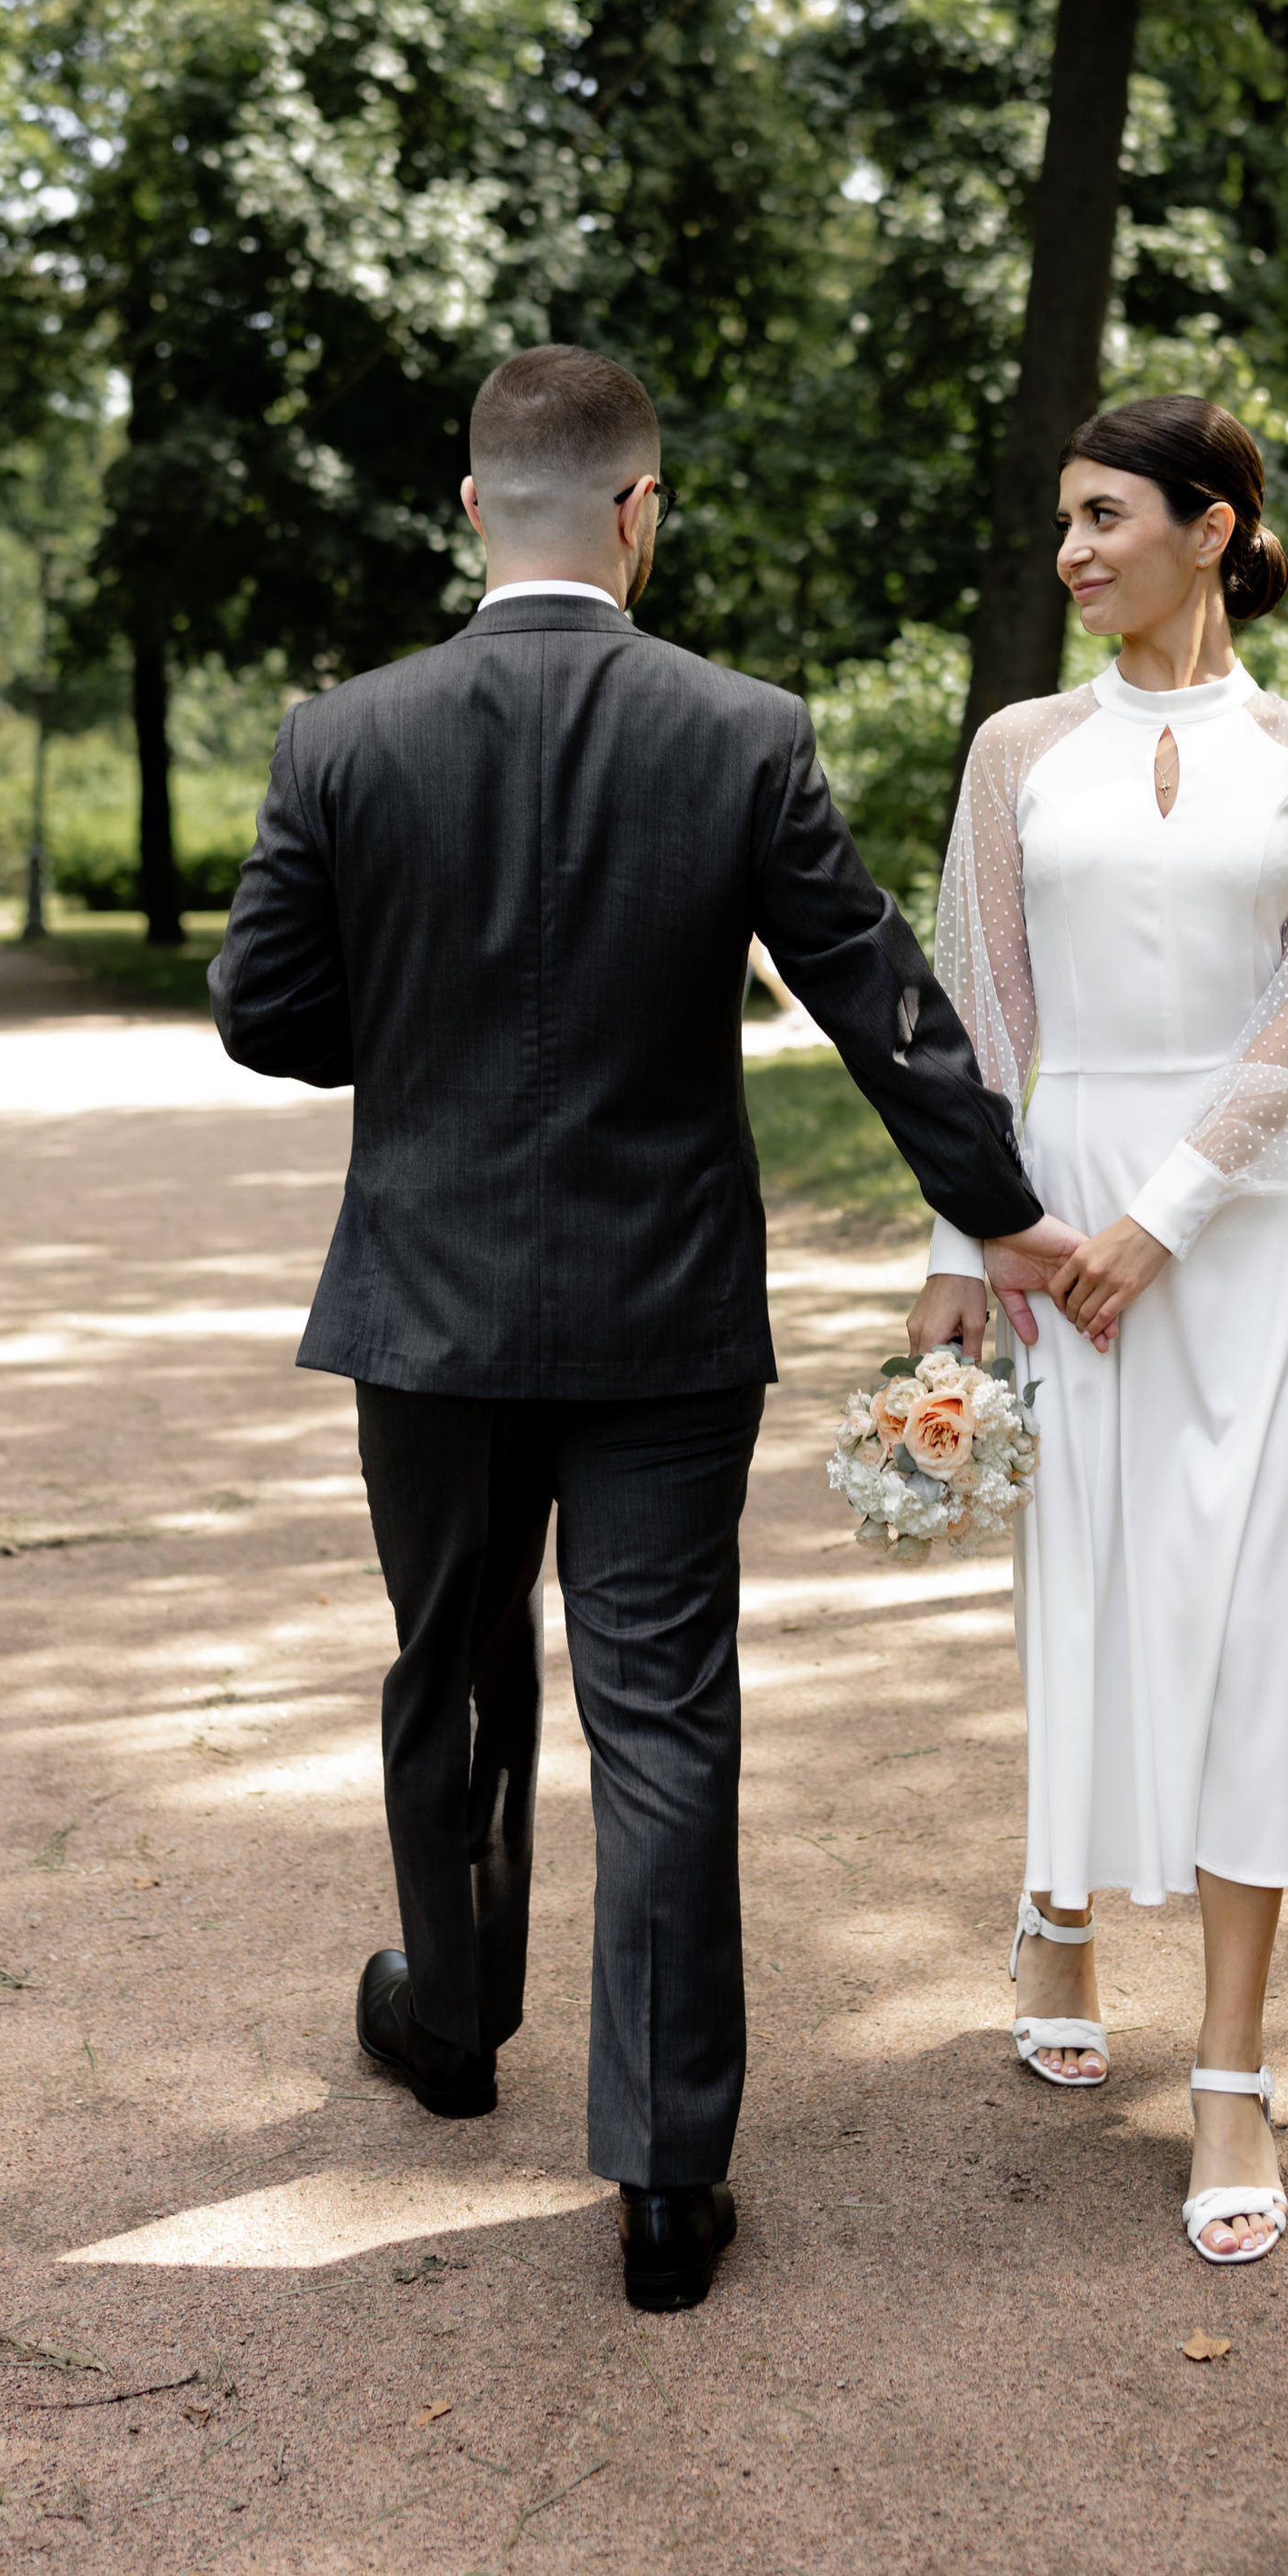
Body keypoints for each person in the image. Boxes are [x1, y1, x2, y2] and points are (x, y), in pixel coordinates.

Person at [211, 346, 1077, 2312]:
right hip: (665, 1314)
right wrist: (1008, 1215)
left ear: (469, 512)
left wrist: (415, 1034)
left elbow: (264, 1013)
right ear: (635, 511)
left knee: (448, 1666)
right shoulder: (738, 730)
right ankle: (669, 2182)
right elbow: (882, 1000)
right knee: (663, 1718)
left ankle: (449, 2026)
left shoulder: (340, 735)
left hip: (423, 1307)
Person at [907, 394, 1288, 2267]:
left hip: (1256, 1233)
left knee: (1252, 1626)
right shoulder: (1016, 752)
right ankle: (1056, 1889)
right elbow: (975, 1023)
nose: (1070, 552)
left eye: (1104, 516)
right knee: (1090, 1587)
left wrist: (1162, 1216)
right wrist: (962, 1241)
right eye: (1060, 522)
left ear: (1210, 528)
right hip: (1050, 1210)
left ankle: (1228, 2062)